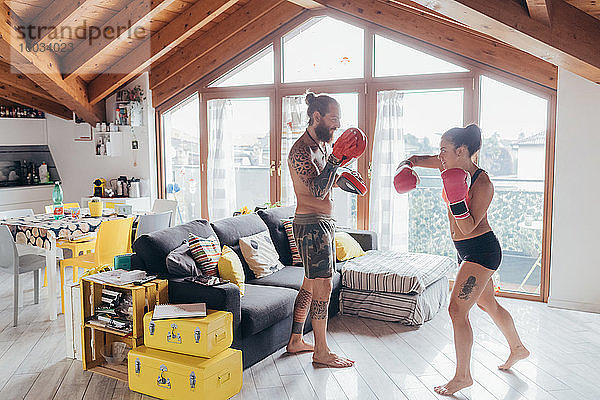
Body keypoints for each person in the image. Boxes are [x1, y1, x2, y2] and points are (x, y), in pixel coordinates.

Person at [395, 124, 530, 395]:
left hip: (481, 251)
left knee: (457, 311)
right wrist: (405, 165)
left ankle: (463, 376)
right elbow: (418, 159)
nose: (440, 155)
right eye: (440, 150)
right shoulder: (447, 165)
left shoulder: (483, 183)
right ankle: (518, 348)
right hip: (464, 250)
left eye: (444, 150)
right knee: (488, 304)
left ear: (462, 151)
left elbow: (468, 227)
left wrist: (457, 196)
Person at [285, 92, 366, 368]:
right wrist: (336, 161)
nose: (336, 126)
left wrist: (344, 177)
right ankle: (321, 351)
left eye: (338, 121)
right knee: (324, 285)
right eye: (333, 120)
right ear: (316, 117)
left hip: (322, 223)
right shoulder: (300, 151)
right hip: (310, 225)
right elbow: (316, 190)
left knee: (310, 283)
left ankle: (296, 340)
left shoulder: (321, 147)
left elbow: (326, 182)